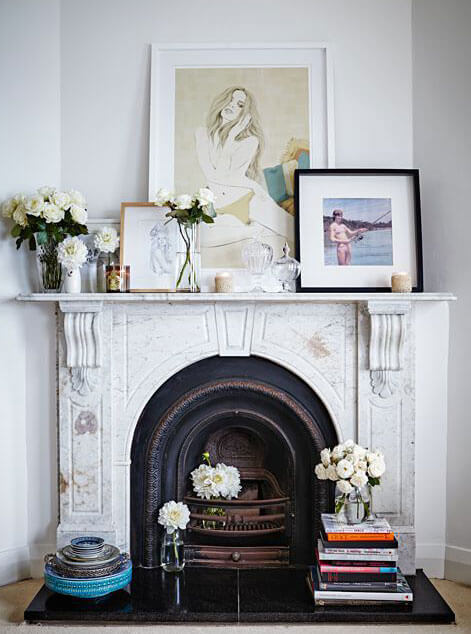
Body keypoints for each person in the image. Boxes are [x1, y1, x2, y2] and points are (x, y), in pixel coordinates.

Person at [195, 86, 293, 266]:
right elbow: (212, 175)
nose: (232, 106)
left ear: (245, 113)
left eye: (239, 104)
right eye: (230, 100)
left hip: (250, 200)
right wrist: (229, 137)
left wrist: (232, 135)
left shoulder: (249, 141)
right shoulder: (202, 134)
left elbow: (228, 177)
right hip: (225, 204)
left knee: (293, 231)